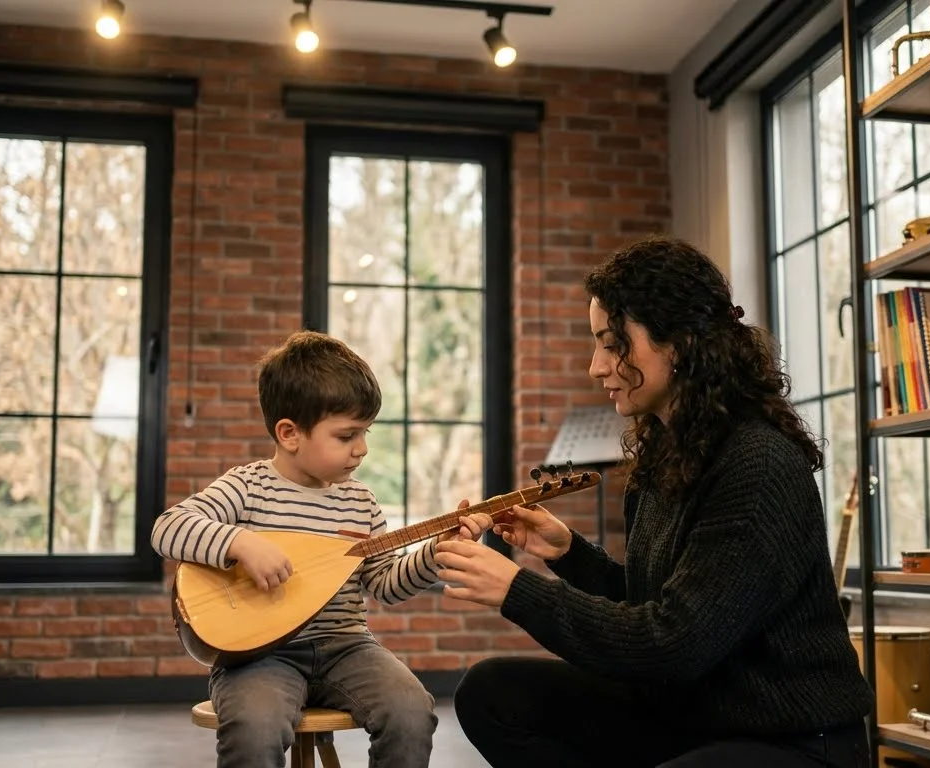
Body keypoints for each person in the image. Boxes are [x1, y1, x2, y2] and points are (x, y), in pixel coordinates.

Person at [434, 236, 875, 768]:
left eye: (612, 343)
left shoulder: (756, 464)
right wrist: (567, 552)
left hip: (796, 741)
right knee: (493, 693)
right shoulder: (668, 451)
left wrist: (518, 591)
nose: (597, 366)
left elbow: (676, 642)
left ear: (680, 341)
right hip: (693, 718)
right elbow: (654, 605)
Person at [152, 330, 492, 768]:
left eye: (366, 432)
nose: (362, 449)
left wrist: (435, 553)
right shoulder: (248, 486)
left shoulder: (361, 502)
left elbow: (385, 585)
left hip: (346, 646)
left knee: (411, 711)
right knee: (254, 728)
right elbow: (168, 528)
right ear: (290, 433)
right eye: (347, 435)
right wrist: (241, 542)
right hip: (258, 655)